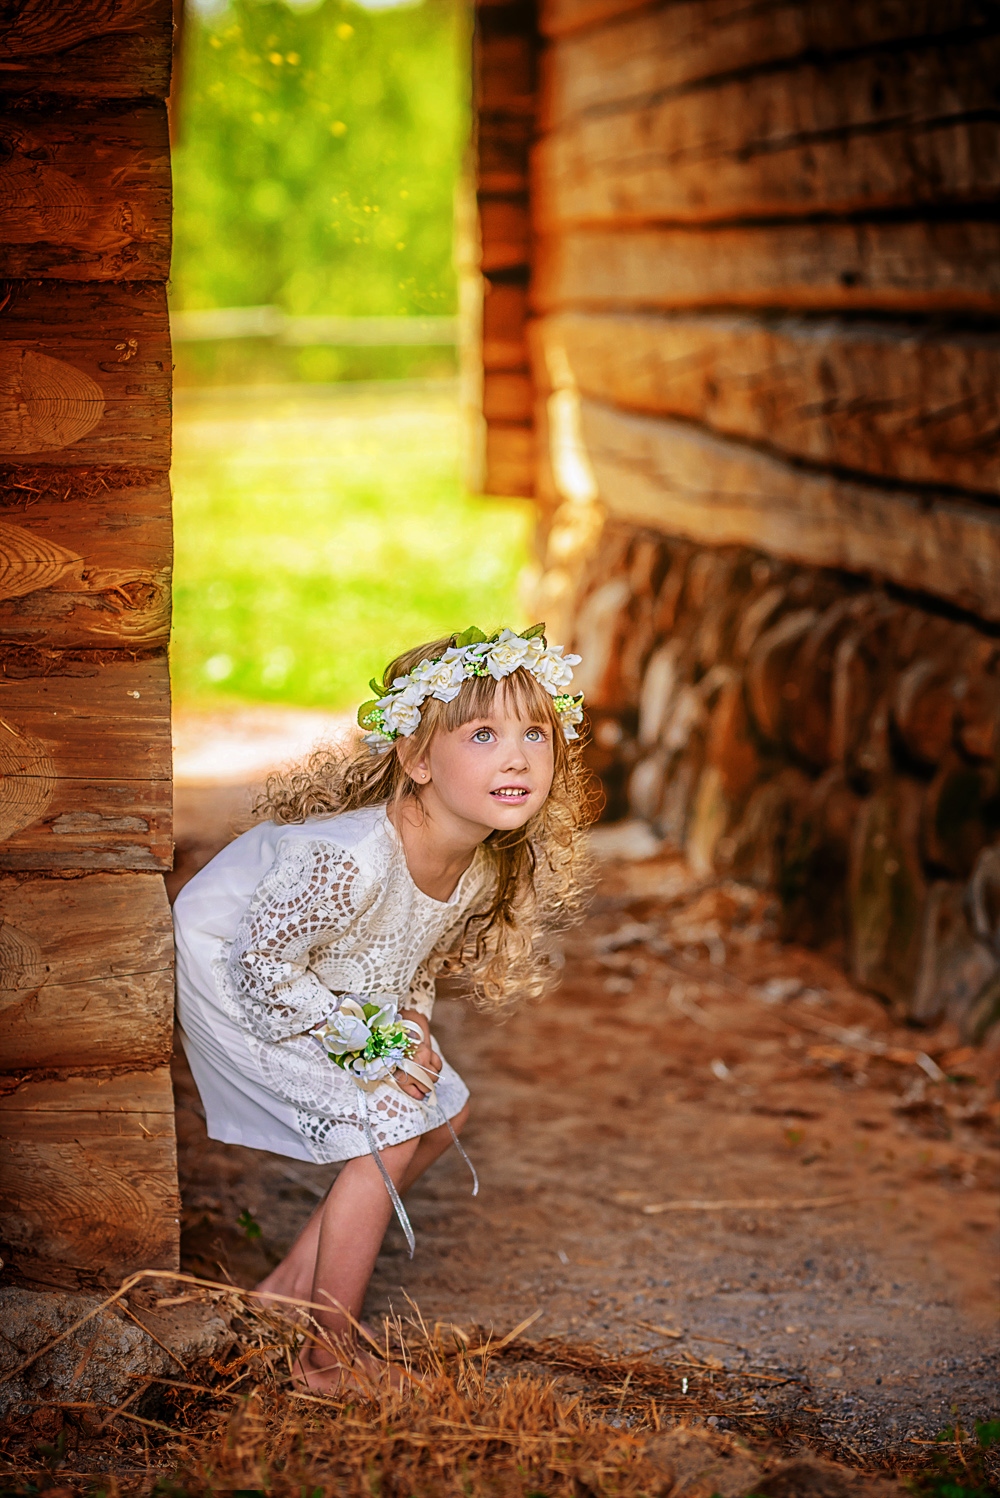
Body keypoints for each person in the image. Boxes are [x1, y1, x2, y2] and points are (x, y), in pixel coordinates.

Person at [173, 625, 593, 1392]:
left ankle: (286, 1294)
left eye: (537, 731)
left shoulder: (477, 864)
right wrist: (365, 1042)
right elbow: (260, 960)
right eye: (484, 733)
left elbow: (412, 961)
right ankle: (327, 1357)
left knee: (443, 1110)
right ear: (418, 759)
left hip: (316, 987)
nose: (518, 755)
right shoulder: (351, 859)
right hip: (229, 968)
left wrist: (414, 1025)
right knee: (388, 1125)